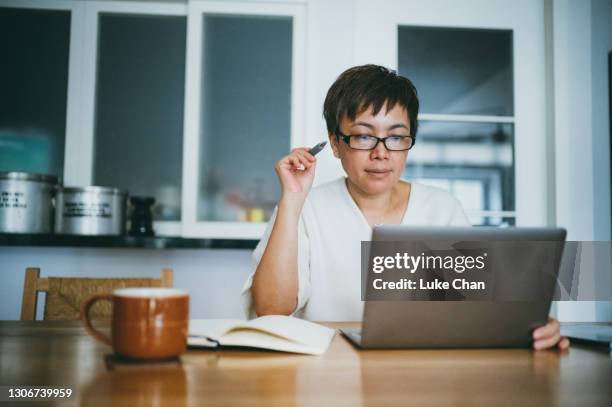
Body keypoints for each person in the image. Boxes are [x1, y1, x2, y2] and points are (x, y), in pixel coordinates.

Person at [240, 64, 569, 351]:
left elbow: (480, 309)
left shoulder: (442, 208)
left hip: (425, 373)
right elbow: (270, 308)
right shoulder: (305, 207)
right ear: (336, 143)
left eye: (396, 137)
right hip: (326, 375)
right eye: (364, 137)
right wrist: (292, 199)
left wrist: (533, 328)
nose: (382, 153)